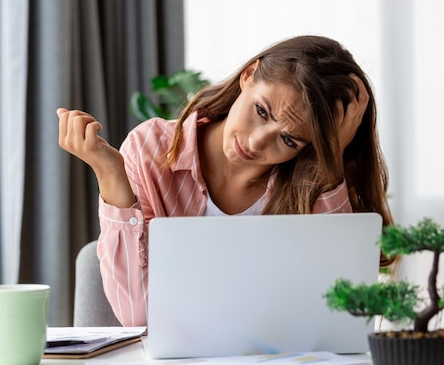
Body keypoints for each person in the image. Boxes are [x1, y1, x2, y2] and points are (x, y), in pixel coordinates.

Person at [57, 35, 393, 327]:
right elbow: (138, 314)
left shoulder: (310, 178)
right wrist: (111, 174)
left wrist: (329, 162)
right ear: (249, 75)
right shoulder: (151, 151)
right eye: (262, 111)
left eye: (290, 140)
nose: (258, 142)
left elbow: (343, 311)